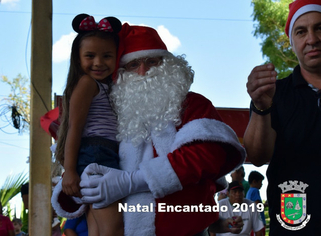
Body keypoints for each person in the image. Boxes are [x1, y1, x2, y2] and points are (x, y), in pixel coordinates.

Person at [67, 23, 247, 235]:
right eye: (133, 65)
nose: (143, 72)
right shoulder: (117, 114)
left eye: (152, 62)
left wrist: (131, 182)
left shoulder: (192, 104)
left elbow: (206, 157)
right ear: (121, 72)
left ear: (168, 66)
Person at [244, 0, 321, 234]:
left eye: (319, 28)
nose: (312, 39)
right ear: (292, 42)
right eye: (301, 31)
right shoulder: (274, 93)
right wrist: (261, 106)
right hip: (296, 222)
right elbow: (257, 156)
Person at [51, 14, 123, 236]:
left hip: (101, 155)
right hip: (95, 155)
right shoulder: (86, 83)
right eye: (90, 56)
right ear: (77, 58)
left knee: (98, 228)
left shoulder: (105, 86)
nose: (99, 62)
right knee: (114, 227)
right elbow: (74, 128)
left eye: (107, 56)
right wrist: (70, 170)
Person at [246, 171, 266, 235]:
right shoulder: (255, 190)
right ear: (254, 182)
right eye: (260, 182)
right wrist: (266, 205)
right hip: (258, 222)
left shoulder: (249, 191)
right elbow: (257, 205)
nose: (261, 184)